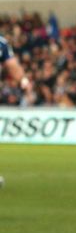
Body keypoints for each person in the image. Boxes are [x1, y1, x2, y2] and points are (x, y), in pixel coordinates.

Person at [0, 34, 32, 188]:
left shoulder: (2, 43)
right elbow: (12, 66)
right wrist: (23, 80)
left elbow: (12, 66)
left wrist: (24, 80)